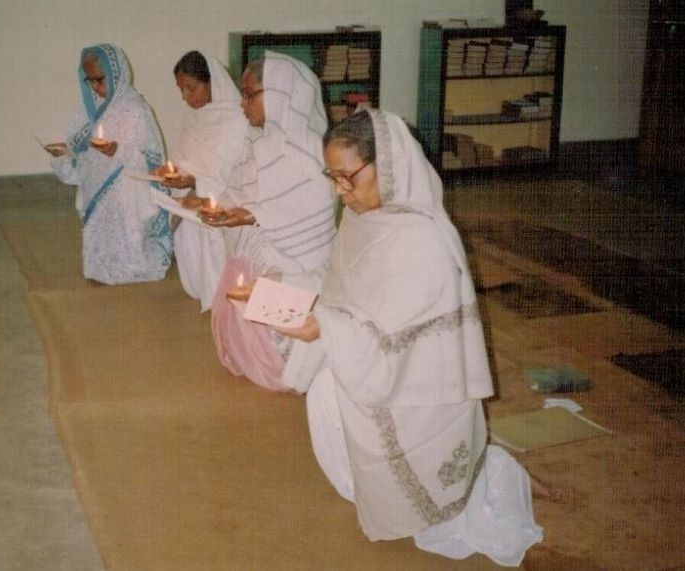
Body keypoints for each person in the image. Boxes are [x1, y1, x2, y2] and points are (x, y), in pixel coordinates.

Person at [274, 108, 542, 566]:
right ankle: (369, 487)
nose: (341, 191)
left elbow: (405, 342)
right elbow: (347, 297)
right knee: (323, 388)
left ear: (390, 166)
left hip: (417, 390)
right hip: (373, 365)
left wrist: (326, 326)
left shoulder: (424, 238)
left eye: (348, 177)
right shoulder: (361, 219)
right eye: (332, 177)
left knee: (332, 391)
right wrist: (315, 313)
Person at [206, 52, 337, 392]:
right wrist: (222, 208)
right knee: (243, 291)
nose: (241, 103)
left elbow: (315, 205)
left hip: (300, 262)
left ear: (279, 94)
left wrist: (253, 215)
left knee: (281, 314)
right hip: (264, 253)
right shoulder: (262, 144)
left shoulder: (310, 149)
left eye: (249, 94)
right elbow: (239, 192)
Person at [45, 44, 172, 285]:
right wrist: (65, 153)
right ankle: (102, 265)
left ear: (116, 75)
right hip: (98, 181)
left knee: (122, 202)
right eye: (90, 80)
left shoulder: (135, 109)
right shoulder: (91, 107)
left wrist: (118, 150)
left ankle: (131, 264)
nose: (95, 87)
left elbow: (150, 157)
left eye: (100, 80)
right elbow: (82, 145)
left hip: (128, 183)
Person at [160, 51, 248, 311]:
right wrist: (175, 175)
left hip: (220, 202)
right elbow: (184, 158)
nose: (185, 97)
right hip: (191, 197)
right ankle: (201, 289)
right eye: (181, 90)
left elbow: (234, 174)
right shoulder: (195, 115)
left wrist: (196, 183)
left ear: (212, 83)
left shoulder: (235, 119)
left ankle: (220, 298)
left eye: (191, 88)